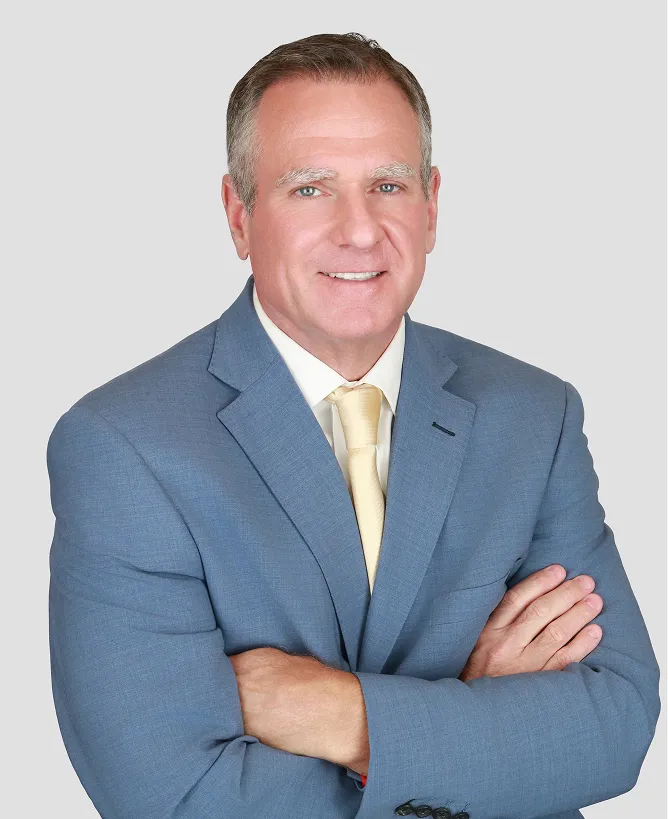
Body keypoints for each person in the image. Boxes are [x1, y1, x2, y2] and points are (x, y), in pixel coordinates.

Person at [47, 32, 660, 819]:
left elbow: (613, 726)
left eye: (389, 186)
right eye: (310, 189)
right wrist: (474, 721)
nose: (360, 229)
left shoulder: (534, 417)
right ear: (239, 215)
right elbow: (172, 796)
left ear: (432, 204)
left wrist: (348, 719)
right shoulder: (124, 446)